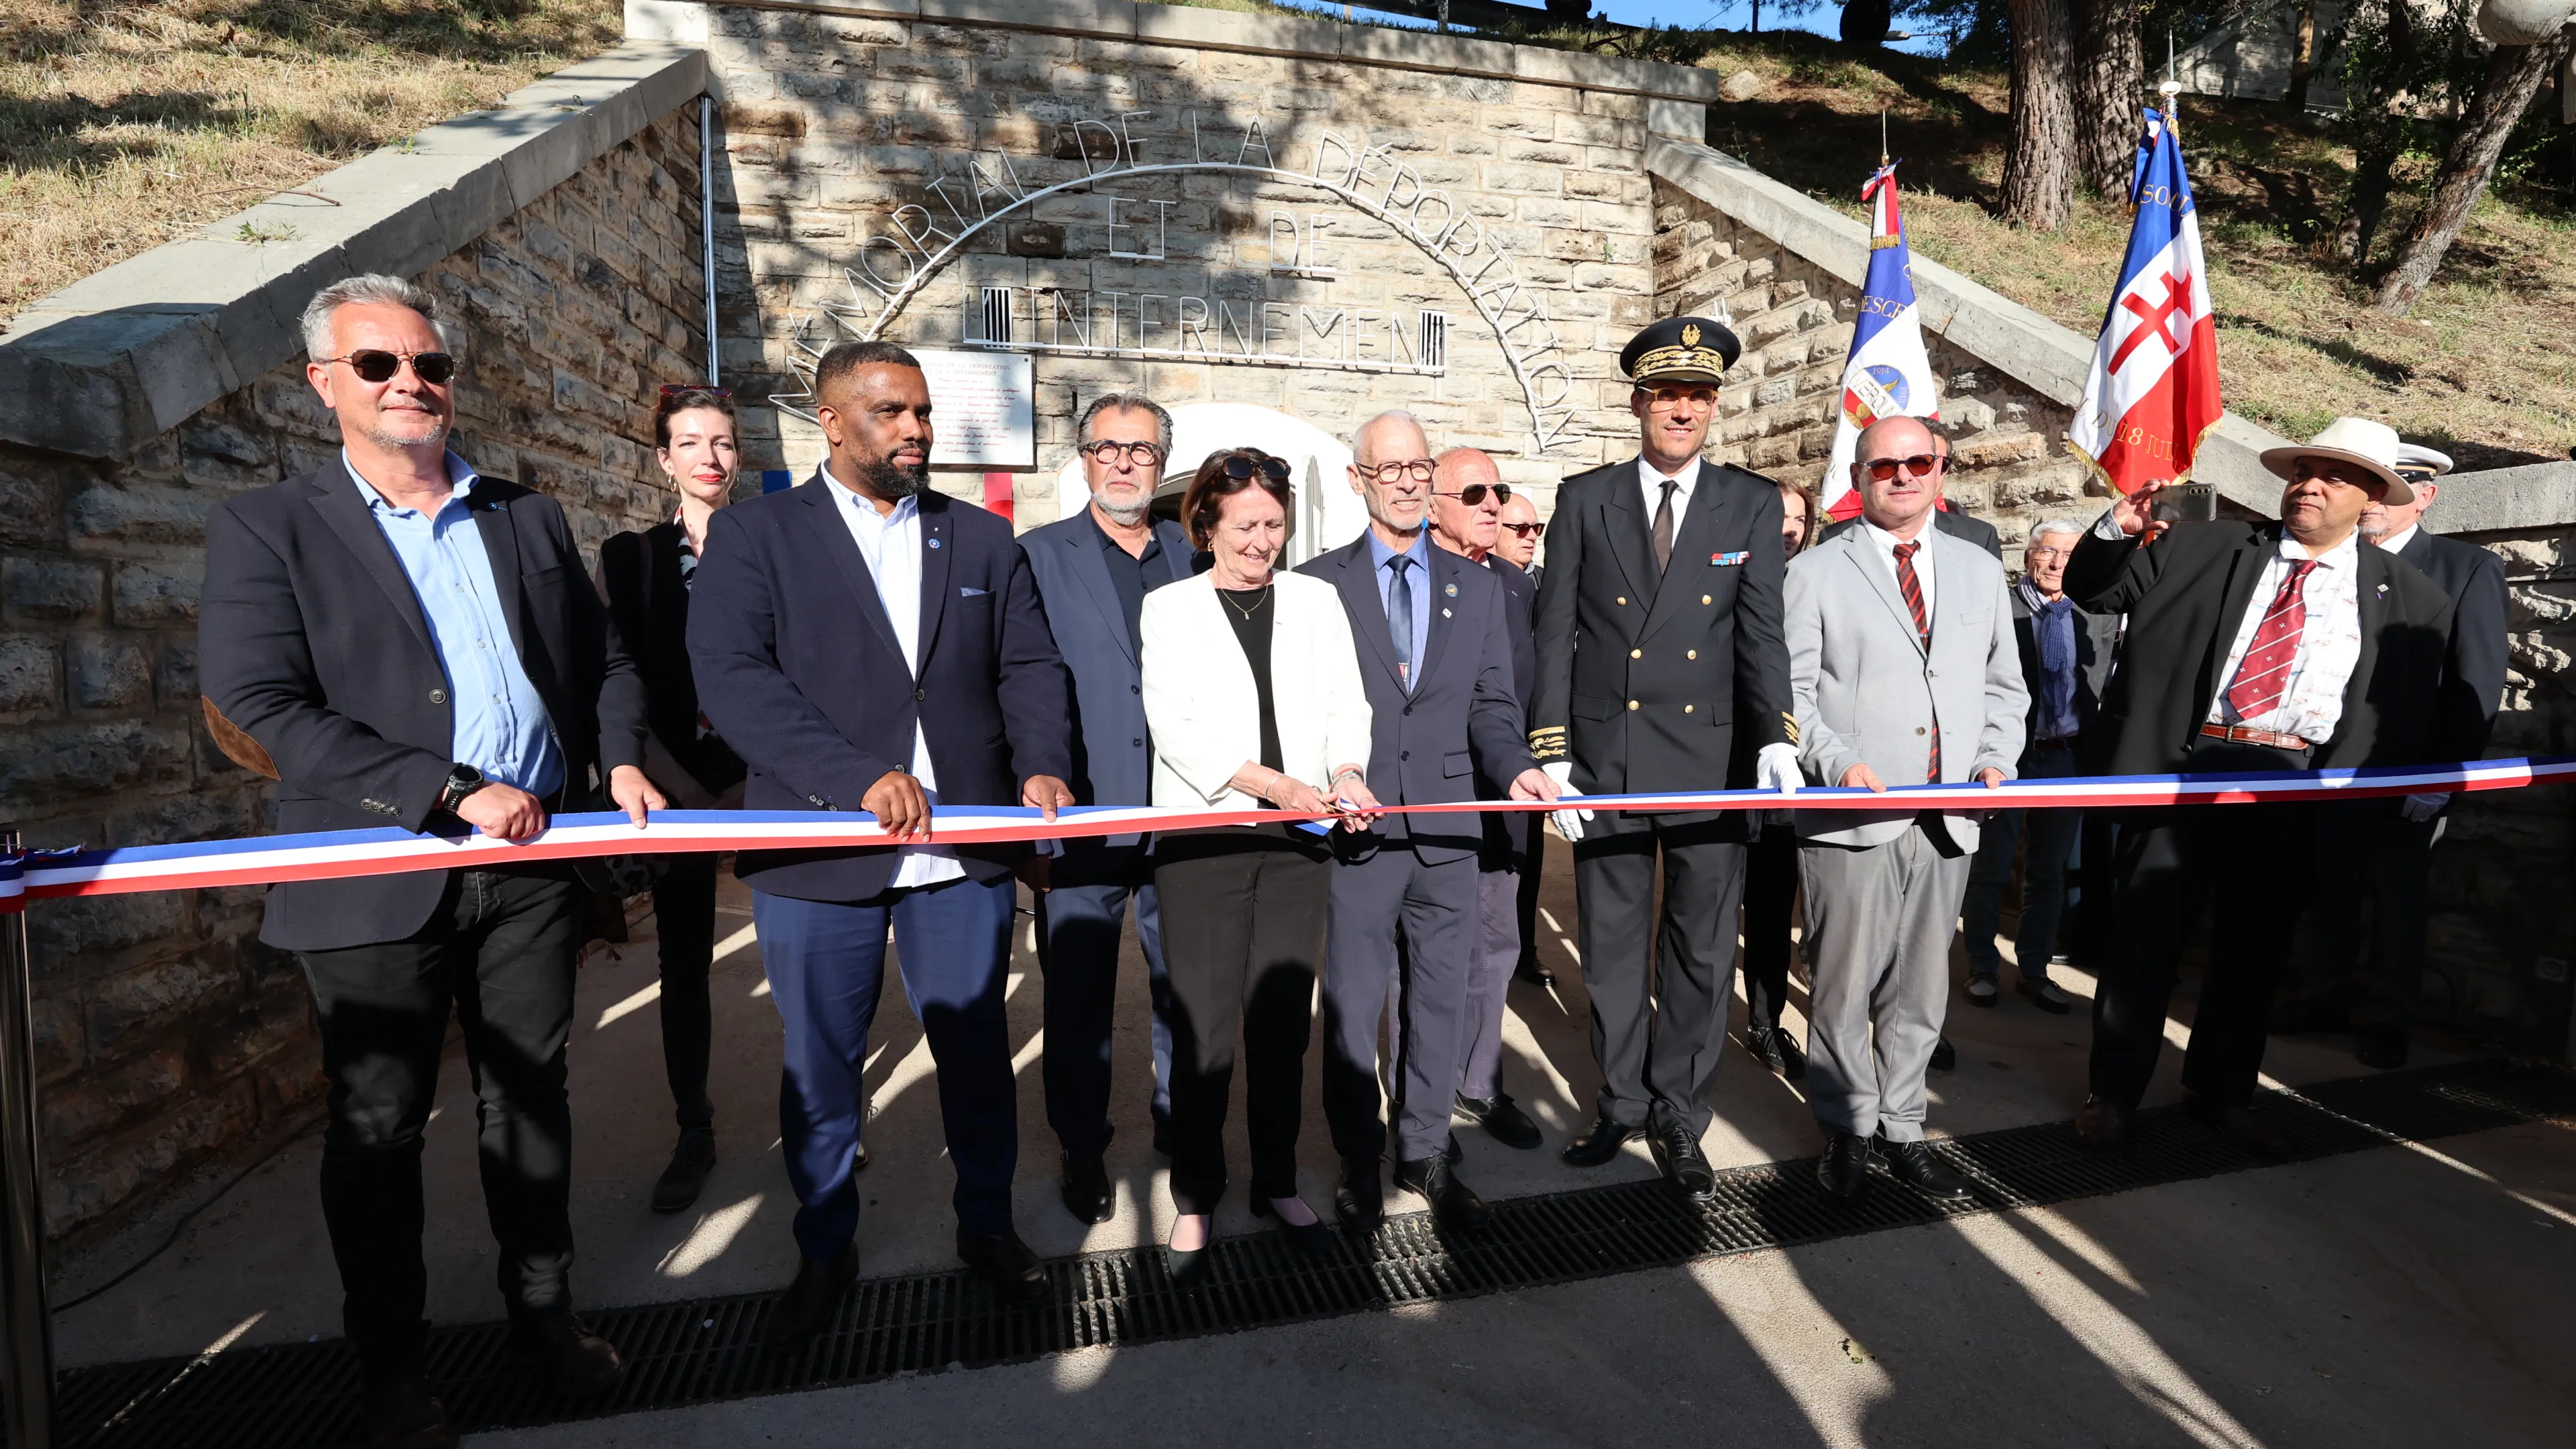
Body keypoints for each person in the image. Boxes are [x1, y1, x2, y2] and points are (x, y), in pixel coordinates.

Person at [199, 274, 655, 1448]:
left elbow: (600, 663)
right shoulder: (271, 526)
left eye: (431, 364)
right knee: (378, 1125)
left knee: (530, 1103)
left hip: (533, 873)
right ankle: (392, 1369)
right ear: (324, 385)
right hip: (370, 871)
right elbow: (257, 700)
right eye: (380, 365)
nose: (413, 382)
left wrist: (617, 764)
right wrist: (445, 793)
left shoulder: (527, 514)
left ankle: (543, 1319)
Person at [687, 340, 1077, 1343]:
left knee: (977, 1054)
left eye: (923, 413)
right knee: (822, 1067)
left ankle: (985, 1229)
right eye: (891, 413)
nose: (916, 430)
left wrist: (1041, 764)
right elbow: (732, 681)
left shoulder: (984, 542)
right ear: (832, 421)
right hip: (819, 853)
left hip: (963, 857)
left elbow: (1030, 667)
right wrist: (852, 776)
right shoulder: (757, 536)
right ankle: (826, 1246)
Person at [2063, 417, 2463, 1155]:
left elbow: (2397, 722)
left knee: (2256, 948)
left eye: (2332, 477)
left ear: (2372, 495)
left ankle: (2219, 1090)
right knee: (2146, 937)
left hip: (2296, 785)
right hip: (2188, 766)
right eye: (2301, 472)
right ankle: (2113, 1093)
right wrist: (2116, 529)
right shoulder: (2202, 546)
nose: (2308, 486)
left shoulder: (2411, 599)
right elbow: (2094, 590)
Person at [1529, 316, 1803, 1201]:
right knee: (1610, 947)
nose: (1682, 411)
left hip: (1709, 761)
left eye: (1699, 396)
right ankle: (1618, 1099)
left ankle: (1679, 1111)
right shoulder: (1585, 497)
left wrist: (1775, 735)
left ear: (1714, 407)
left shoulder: (1750, 504)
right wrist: (1553, 751)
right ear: (1639, 402)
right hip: (1608, 762)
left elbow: (1761, 636)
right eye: (1666, 395)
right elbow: (1555, 634)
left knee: (1696, 947)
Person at [1299, 415, 1553, 1230]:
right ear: (1358, 480)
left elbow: (1491, 703)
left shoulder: (1474, 585)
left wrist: (1515, 767)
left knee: (1441, 997)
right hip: (1358, 831)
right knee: (1353, 1001)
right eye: (1390, 469)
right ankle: (1356, 1160)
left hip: (1449, 829)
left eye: (1419, 467)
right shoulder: (1316, 584)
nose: (1407, 481)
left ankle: (1424, 1147)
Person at [1140, 449, 1377, 1281]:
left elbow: (1349, 699)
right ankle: (1199, 1193)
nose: (1261, 541)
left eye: (1274, 525)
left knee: (1280, 1024)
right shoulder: (1169, 608)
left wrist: (1347, 770)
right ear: (1204, 524)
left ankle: (1275, 1180)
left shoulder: (1318, 600)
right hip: (1205, 839)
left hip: (1297, 843)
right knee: (1205, 1027)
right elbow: (1177, 728)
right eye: (1244, 526)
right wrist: (1277, 784)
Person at [1786, 416, 2028, 1201]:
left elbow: (2004, 687)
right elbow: (1791, 696)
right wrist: (1837, 762)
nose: (1901, 475)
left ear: (1940, 470)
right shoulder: (1816, 573)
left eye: (1916, 461)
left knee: (1923, 987)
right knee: (1844, 985)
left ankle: (1903, 1121)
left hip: (1951, 815)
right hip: (1854, 812)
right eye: (1883, 464)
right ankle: (1847, 1127)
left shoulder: (1978, 569)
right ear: (1859, 477)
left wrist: (1995, 759)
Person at [1016, 392, 1197, 1223]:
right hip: (1081, 818)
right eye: (1108, 447)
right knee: (1079, 997)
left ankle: (1179, 1123)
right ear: (1083, 457)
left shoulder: (1193, 555)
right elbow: (1014, 686)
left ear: (1164, 461)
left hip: (1187, 811)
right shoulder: (1035, 556)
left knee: (1184, 985)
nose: (1126, 463)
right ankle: (1081, 1147)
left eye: (1143, 450)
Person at [2284, 440, 2507, 1067]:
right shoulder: (2335, 557)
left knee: (2398, 899)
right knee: (2328, 887)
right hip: (2326, 767)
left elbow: (2476, 683)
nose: (2376, 503)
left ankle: (2387, 1017)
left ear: (2424, 497)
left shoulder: (2465, 569)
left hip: (2407, 773)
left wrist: (2443, 776)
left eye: (2393, 489)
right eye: (2372, 489)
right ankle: (2321, 998)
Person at [596, 385, 752, 1215]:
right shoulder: (630, 558)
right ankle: (695, 1127)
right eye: (690, 442)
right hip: (678, 780)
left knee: (807, 952)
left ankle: (830, 1118)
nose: (709, 457)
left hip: (766, 774)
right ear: (664, 458)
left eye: (722, 442)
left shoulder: (778, 543)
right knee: (682, 960)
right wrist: (624, 764)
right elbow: (620, 673)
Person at [1415, 446, 1551, 1155]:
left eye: (1497, 490)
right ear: (1434, 504)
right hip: (1429, 800)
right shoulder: (1407, 577)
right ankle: (1422, 1098)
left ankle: (1479, 1080)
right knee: (1427, 952)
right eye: (1474, 492)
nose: (1492, 503)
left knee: (1496, 946)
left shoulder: (1516, 586)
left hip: (1504, 796)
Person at [1956, 519, 2119, 1015]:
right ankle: (1982, 965)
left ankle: (2033, 968)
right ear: (2029, 555)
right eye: (2049, 552)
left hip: (2066, 756)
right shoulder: (1999, 609)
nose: (2057, 564)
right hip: (2007, 757)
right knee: (1991, 867)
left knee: (2048, 873)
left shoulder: (2096, 614)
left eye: (2069, 555)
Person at [1739, 477, 1816, 1081]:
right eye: (1777, 516)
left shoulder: (1818, 584)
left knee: (1770, 907)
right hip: (1728, 767)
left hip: (1789, 775)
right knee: (1708, 911)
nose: (1788, 529)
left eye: (1798, 519)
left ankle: (1765, 1023)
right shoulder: (1725, 578)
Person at [1495, 480, 1555, 987]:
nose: (1530, 536)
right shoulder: (1483, 587)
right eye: (1520, 528)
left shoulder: (1544, 585)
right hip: (1493, 738)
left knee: (1530, 855)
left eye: (1537, 528)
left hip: (1535, 743)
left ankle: (1524, 947)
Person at [1497, 491, 1545, 573]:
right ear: (1495, 528)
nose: (1533, 536)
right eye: (1522, 528)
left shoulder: (1547, 582)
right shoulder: (1473, 580)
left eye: (1536, 528)